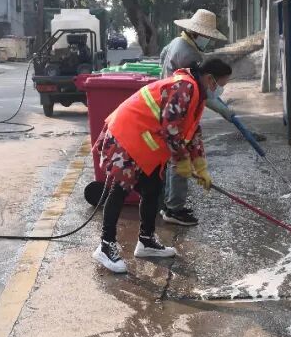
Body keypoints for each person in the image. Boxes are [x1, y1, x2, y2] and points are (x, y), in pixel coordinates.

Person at [93, 57, 234, 274]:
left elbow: (192, 131)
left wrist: (200, 166)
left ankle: (146, 241)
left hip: (143, 142)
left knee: (152, 189)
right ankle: (105, 245)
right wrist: (182, 160)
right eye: (220, 85)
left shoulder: (196, 94)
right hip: (127, 135)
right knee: (120, 189)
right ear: (209, 79)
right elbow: (171, 129)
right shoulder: (185, 87)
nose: (219, 91)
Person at [158, 9, 234, 227]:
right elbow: (204, 92)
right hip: (177, 109)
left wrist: (201, 167)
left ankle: (169, 204)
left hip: (169, 102)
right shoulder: (190, 57)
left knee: (174, 156)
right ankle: (174, 208)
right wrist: (224, 111)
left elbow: (162, 57)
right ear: (196, 33)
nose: (207, 40)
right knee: (179, 156)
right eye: (207, 36)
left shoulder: (175, 43)